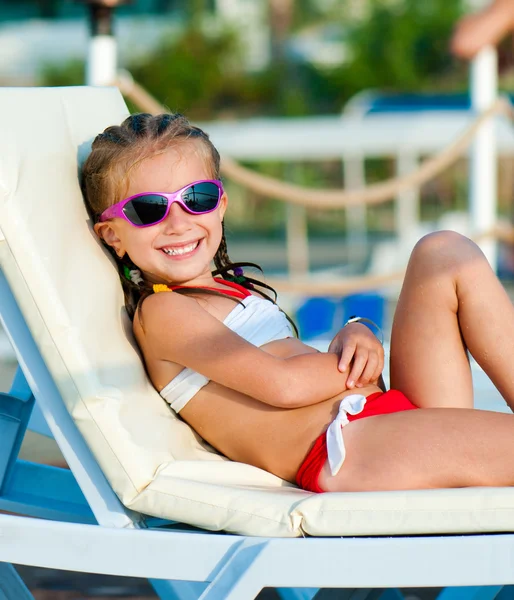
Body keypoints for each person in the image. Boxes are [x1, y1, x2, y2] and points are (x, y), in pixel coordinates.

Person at [82, 112, 514, 494]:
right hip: (349, 445)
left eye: (197, 199)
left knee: (444, 251)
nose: (179, 223)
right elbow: (284, 385)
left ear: (221, 205)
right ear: (112, 235)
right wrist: (362, 358)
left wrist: (360, 329)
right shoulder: (164, 312)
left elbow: (300, 364)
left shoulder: (229, 290)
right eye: (147, 210)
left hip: (384, 416)